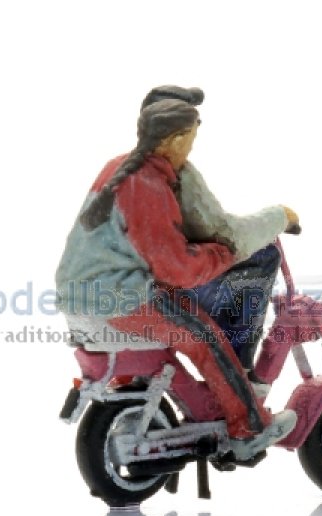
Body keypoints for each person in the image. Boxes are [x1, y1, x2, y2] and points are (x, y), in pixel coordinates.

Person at [56, 89, 298, 459]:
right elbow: (177, 268)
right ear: (176, 139)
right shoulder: (147, 185)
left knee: (188, 323)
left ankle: (211, 410)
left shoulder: (121, 168)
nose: (191, 148)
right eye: (191, 139)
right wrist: (224, 253)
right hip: (120, 297)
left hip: (81, 295)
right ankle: (249, 429)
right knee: (205, 337)